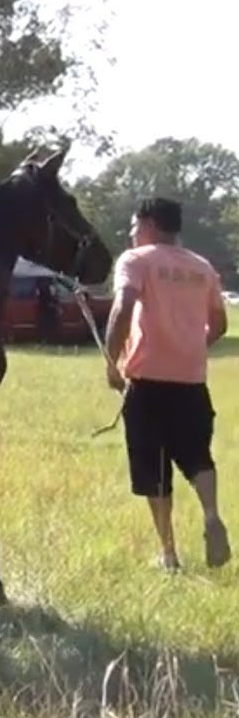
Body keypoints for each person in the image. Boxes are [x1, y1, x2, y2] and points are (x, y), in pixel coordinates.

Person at [104, 196, 230, 571]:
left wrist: (112, 362)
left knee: (152, 468)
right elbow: (220, 325)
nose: (130, 235)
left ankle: (169, 554)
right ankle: (210, 514)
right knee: (197, 456)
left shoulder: (135, 261)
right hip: (191, 381)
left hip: (147, 381)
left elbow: (123, 306)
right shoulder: (203, 267)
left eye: (133, 227)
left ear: (149, 225)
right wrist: (192, 346)